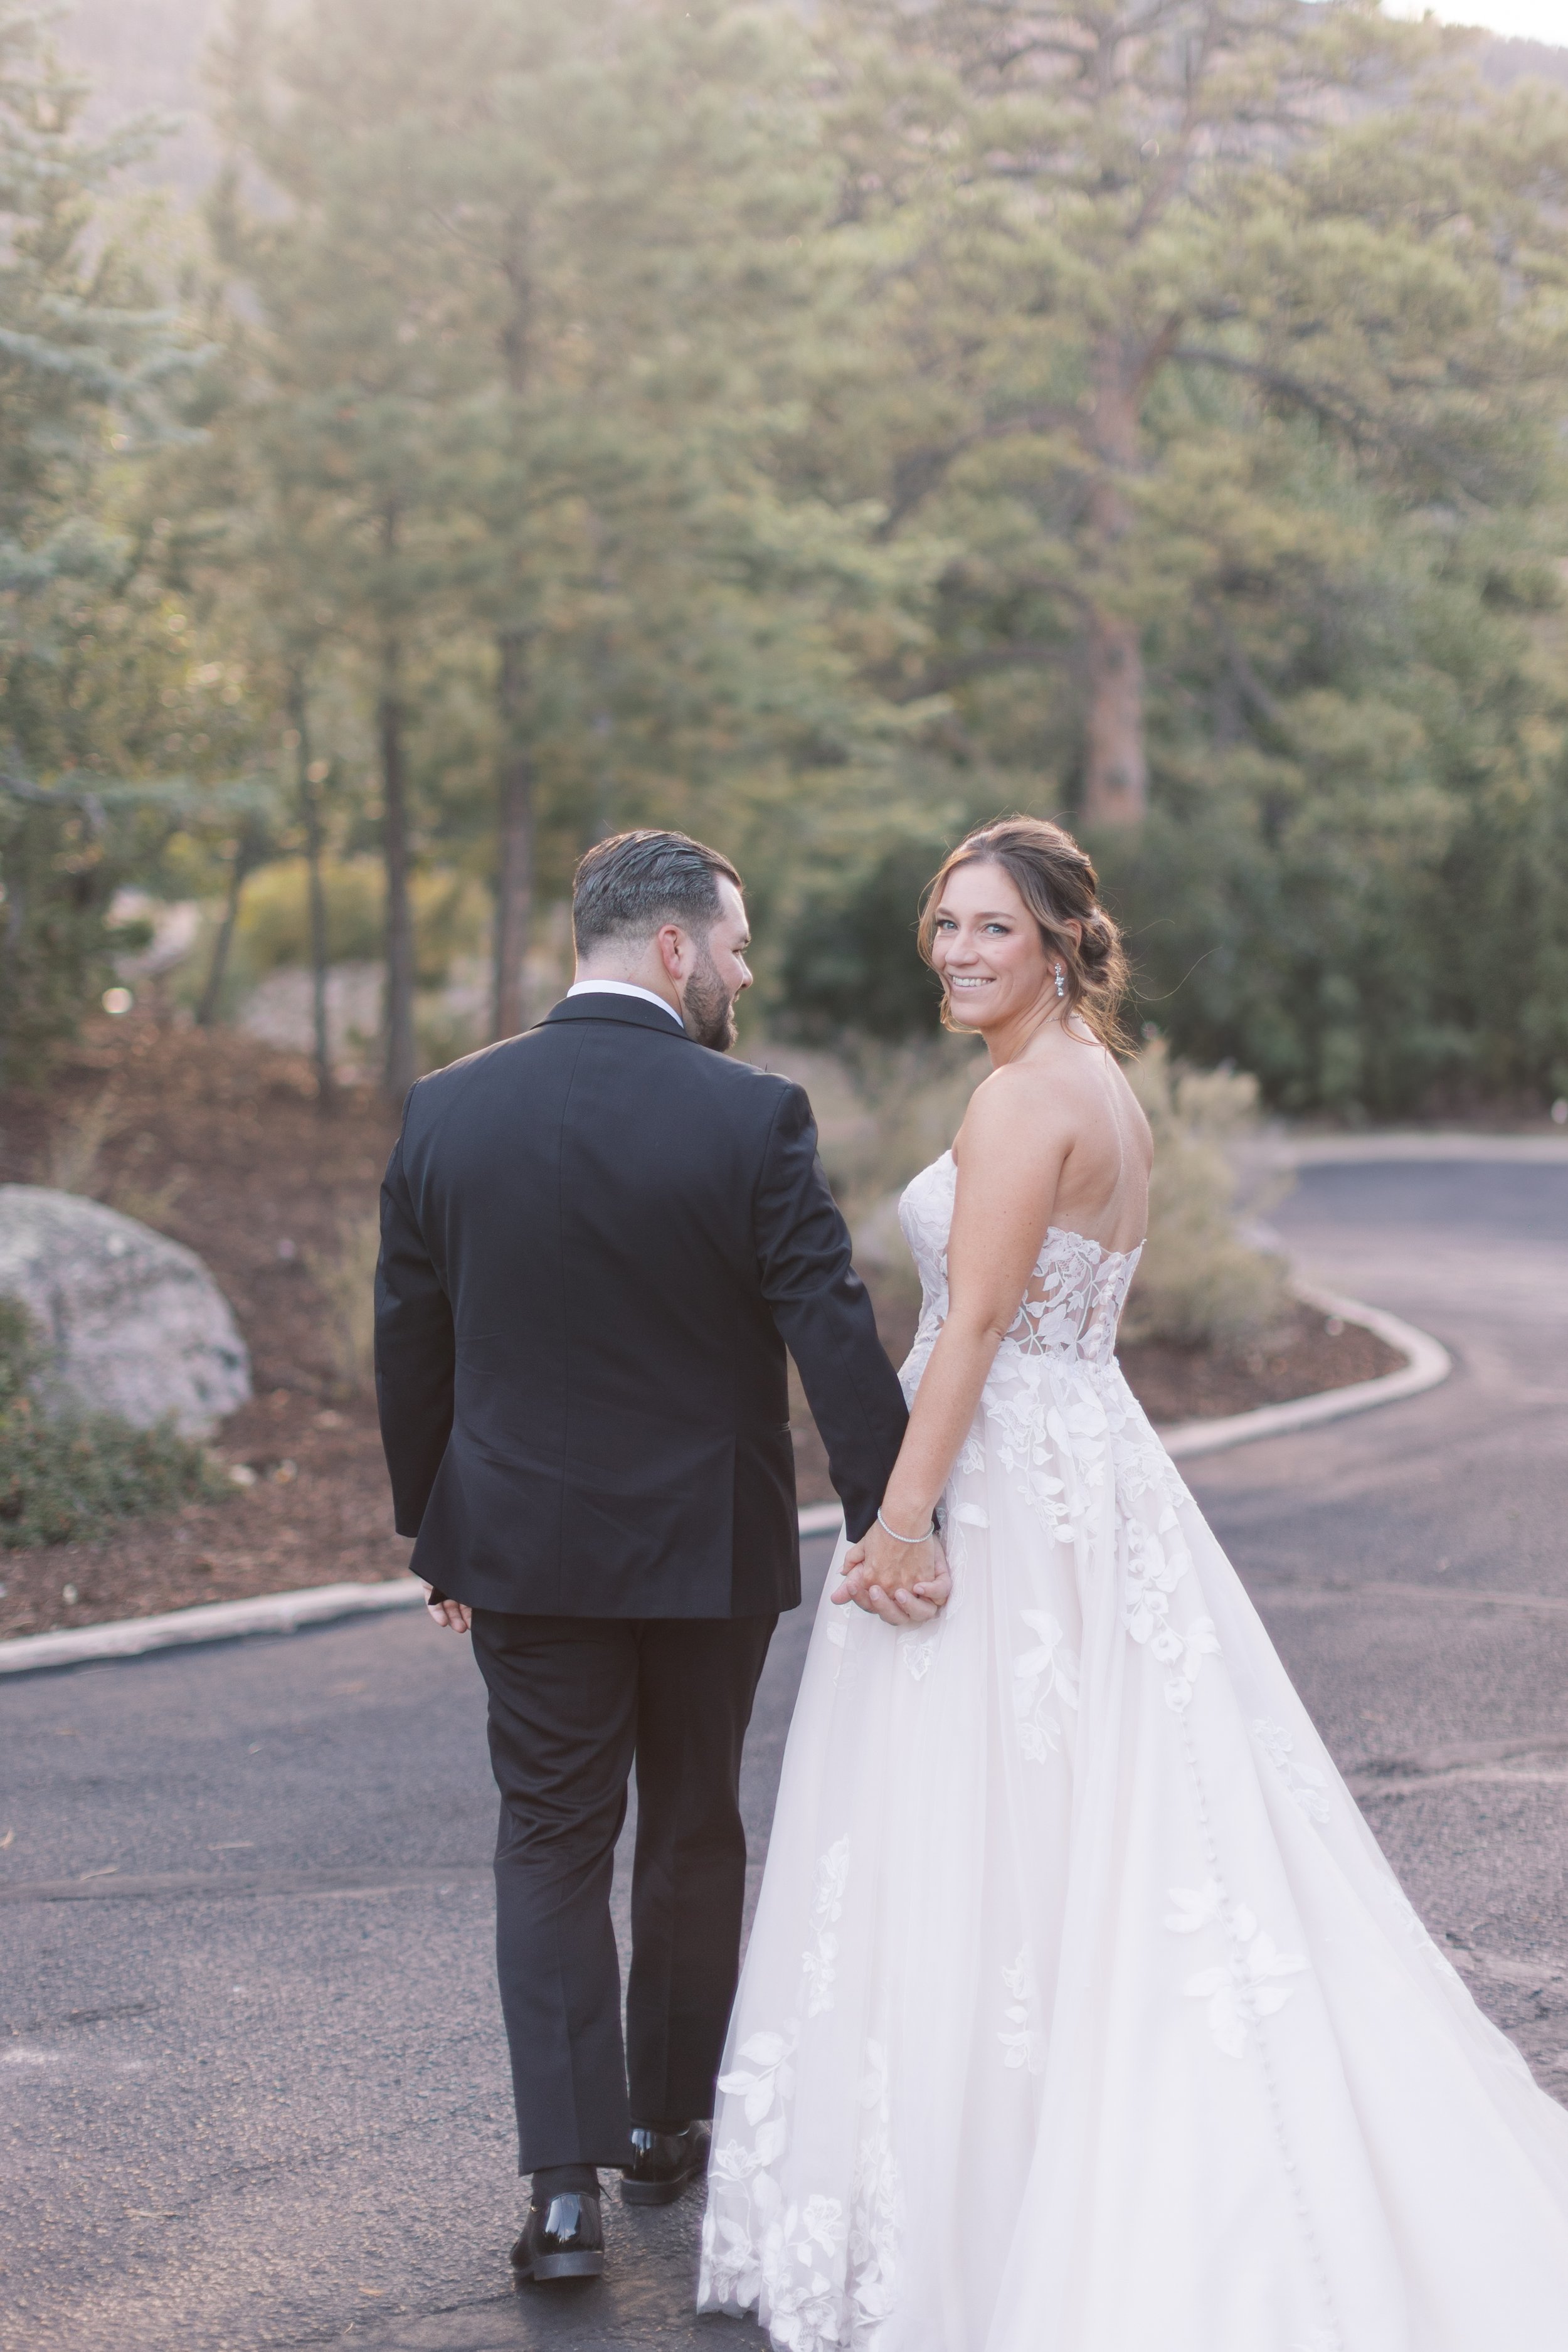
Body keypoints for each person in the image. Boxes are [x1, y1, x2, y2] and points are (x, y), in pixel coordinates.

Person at [699, 815, 1568, 2351]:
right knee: (1084, 1813)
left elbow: (966, 1332)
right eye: (946, 927)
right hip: (1082, 1458)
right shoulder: (1098, 1087)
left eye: (990, 930)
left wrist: (900, 1519)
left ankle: (996, 2191)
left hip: (1000, 1474)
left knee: (982, 1821)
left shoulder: (1020, 1104)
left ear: (1057, 945)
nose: (958, 955)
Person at [374, 829, 910, 2286]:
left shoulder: (444, 1111)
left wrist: (439, 1530)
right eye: (733, 946)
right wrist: (895, 1516)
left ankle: (559, 2195)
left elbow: (410, 1344)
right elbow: (830, 1327)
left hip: (521, 1552)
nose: (741, 972)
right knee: (689, 1830)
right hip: (703, 1552)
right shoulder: (750, 1116)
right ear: (673, 949)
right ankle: (670, 2125)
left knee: (547, 1842)